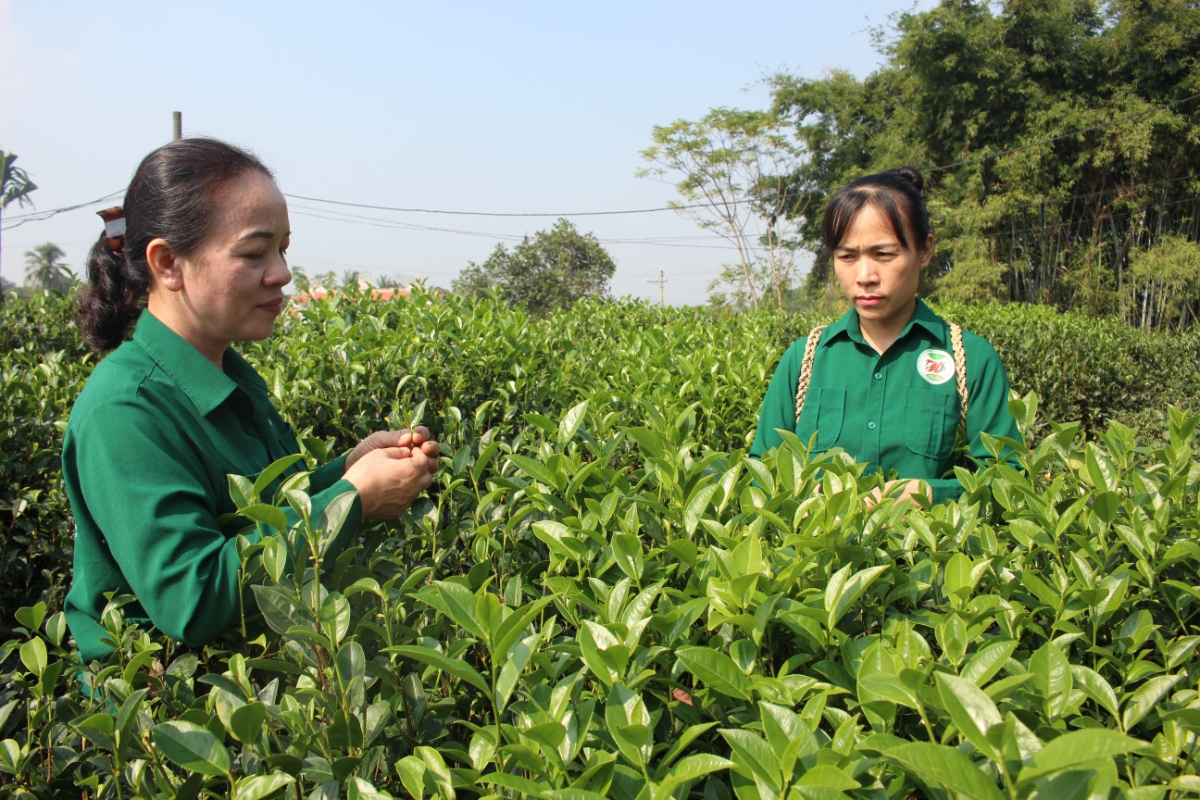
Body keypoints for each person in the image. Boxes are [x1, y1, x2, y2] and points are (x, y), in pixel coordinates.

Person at [65, 138, 439, 664]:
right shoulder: (125, 410)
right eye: (253, 252)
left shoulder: (231, 376)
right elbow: (190, 601)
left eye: (283, 249)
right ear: (168, 263)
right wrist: (350, 502)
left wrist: (347, 472)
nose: (282, 272)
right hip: (168, 723)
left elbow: (262, 515)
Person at [750, 167, 1020, 505]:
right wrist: (801, 498)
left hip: (931, 556)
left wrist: (928, 495)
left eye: (884, 254)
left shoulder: (972, 359)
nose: (864, 276)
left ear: (925, 251)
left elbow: (1007, 480)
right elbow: (761, 472)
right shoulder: (805, 359)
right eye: (847, 256)